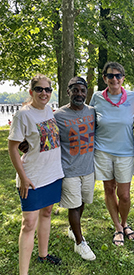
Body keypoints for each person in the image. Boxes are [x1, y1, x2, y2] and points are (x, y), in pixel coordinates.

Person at [8, 74, 64, 275]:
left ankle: (43, 254)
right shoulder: (23, 115)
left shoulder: (49, 110)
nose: (44, 93)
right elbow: (12, 148)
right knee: (28, 223)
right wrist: (23, 177)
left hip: (52, 174)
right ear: (31, 92)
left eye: (48, 90)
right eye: (39, 89)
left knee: (47, 213)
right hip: (31, 177)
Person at [90, 62, 134, 246]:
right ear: (104, 78)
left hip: (125, 152)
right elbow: (88, 121)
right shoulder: (97, 98)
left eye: (118, 75)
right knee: (109, 189)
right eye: (110, 76)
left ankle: (125, 223)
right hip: (102, 151)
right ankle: (118, 227)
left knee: (125, 194)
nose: (114, 79)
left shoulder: (133, 97)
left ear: (123, 78)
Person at [54, 76, 96, 261]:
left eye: (82, 90)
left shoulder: (93, 112)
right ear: (68, 91)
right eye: (75, 90)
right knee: (73, 205)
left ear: (87, 93)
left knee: (82, 202)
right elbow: (45, 135)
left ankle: (72, 229)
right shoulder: (58, 116)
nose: (79, 94)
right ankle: (80, 243)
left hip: (88, 168)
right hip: (69, 168)